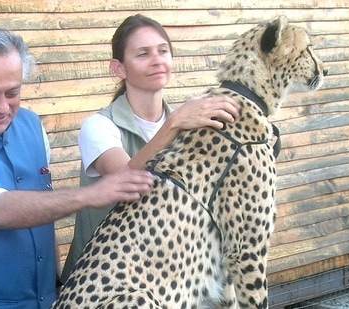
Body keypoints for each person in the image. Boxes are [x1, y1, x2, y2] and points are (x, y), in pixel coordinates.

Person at [0, 27, 153, 309]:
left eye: (13, 92)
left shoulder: (33, 126)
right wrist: (89, 195)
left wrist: (55, 283)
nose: (2, 107)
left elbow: (43, 215)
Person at [61, 14, 242, 281]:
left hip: (162, 279)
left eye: (163, 51)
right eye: (143, 54)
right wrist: (174, 124)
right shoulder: (98, 127)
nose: (157, 60)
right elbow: (125, 180)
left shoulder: (189, 122)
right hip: (102, 280)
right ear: (119, 68)